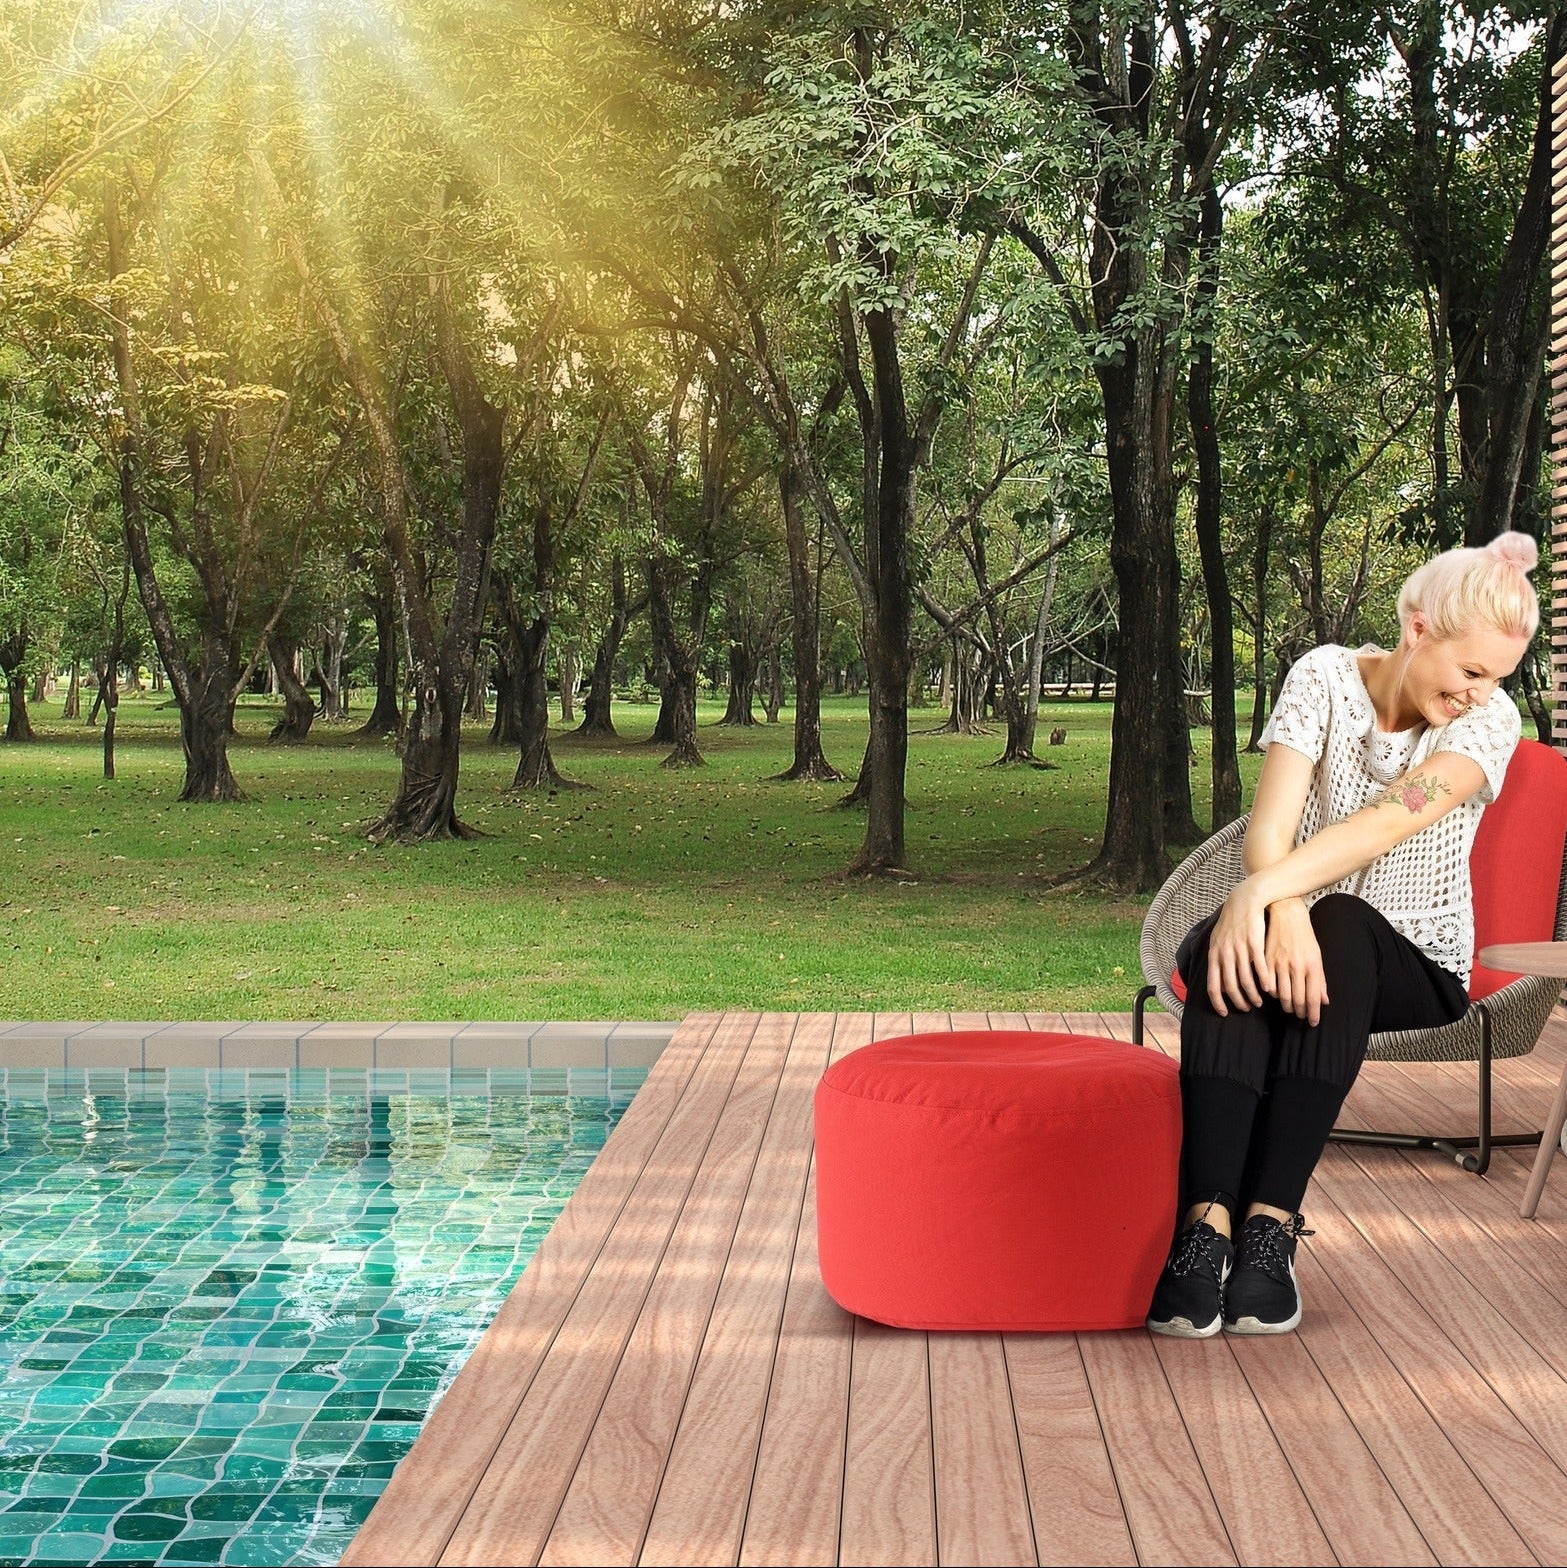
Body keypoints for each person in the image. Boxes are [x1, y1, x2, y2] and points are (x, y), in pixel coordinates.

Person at [1146, 531, 1540, 1338]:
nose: (1478, 693)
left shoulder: (1488, 724)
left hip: (1411, 960)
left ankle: (1268, 1228)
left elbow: (1384, 824)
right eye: (1470, 671)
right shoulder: (1322, 676)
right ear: (1417, 628)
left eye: (1494, 679)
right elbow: (1272, 825)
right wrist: (1275, 903)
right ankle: (1205, 1229)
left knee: (1339, 921)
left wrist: (1266, 894)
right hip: (1291, 926)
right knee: (1259, 943)